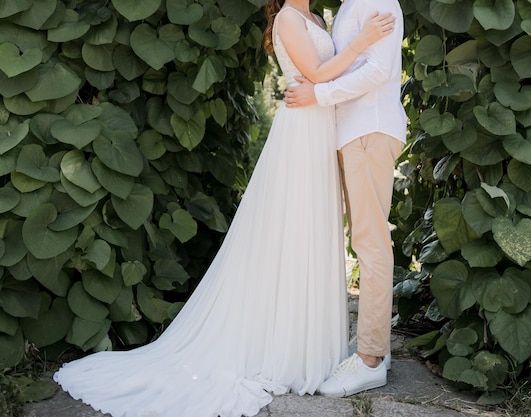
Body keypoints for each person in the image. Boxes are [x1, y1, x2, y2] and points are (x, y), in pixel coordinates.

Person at [53, 1, 395, 416]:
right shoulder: (289, 17)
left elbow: (340, 73)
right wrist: (361, 41)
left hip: (326, 128)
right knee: (290, 229)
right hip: (304, 128)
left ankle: (317, 342)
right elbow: (320, 74)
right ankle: (286, 342)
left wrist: (349, 56)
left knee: (318, 234)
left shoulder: (320, 18)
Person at [283, 0, 406, 398]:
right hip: (354, 132)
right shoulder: (350, 3)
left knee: (370, 244)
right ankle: (376, 349)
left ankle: (370, 360)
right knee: (365, 241)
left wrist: (319, 94)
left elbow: (377, 70)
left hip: (369, 128)